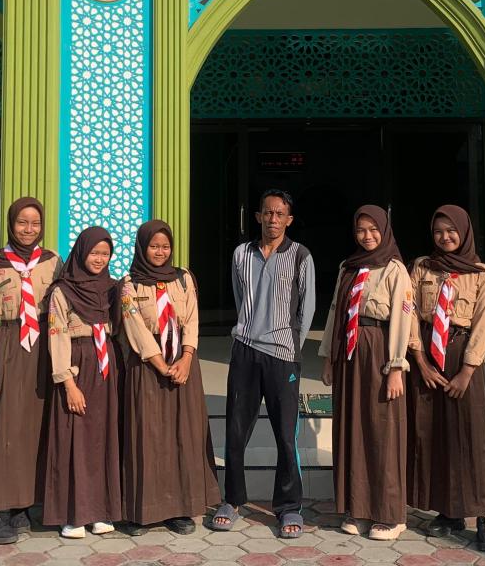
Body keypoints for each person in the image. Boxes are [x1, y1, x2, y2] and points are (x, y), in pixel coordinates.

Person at [211, 189, 316, 538]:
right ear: (257, 216)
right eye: (267, 212)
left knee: (285, 434)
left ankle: (289, 506)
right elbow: (241, 298)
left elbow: (308, 308)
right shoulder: (241, 254)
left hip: (282, 355)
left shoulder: (301, 255)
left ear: (289, 219)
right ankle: (232, 500)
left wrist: (292, 346)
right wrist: (248, 331)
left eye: (279, 214)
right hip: (245, 351)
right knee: (236, 430)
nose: (273, 219)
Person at [406, 205, 485, 551]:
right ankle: (449, 512)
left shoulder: (482, 274)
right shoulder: (422, 267)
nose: (444, 237)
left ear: (464, 231)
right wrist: (420, 360)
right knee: (433, 435)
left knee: (470, 437)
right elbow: (410, 312)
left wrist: (467, 371)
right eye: (438, 231)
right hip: (428, 355)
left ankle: (483, 514)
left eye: (451, 231)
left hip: (462, 354)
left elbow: (484, 322)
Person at [118, 220, 220, 536]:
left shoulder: (183, 278)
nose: (160, 252)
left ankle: (179, 508)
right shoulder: (129, 285)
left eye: (165, 246)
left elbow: (192, 318)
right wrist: (160, 364)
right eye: (154, 246)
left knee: (182, 433)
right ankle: (141, 511)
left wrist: (187, 358)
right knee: (146, 435)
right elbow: (134, 327)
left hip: (182, 362)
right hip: (147, 365)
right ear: (142, 248)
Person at [319, 205, 414, 541]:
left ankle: (389, 513)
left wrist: (396, 366)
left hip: (379, 350)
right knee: (353, 427)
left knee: (382, 429)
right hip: (349, 351)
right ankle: (356, 507)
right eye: (361, 230)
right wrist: (329, 356)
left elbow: (403, 317)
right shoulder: (348, 267)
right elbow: (335, 311)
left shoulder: (395, 269)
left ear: (385, 231)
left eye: (374, 229)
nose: (367, 236)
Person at [0, 197, 62, 545]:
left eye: (35, 223)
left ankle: (23, 504)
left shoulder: (52, 261)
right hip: (9, 345)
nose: (29, 229)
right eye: (22, 223)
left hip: (46, 347)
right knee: (8, 428)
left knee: (38, 426)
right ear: (11, 225)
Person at [42, 226, 123, 538]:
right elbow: (57, 336)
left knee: (103, 437)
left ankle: (101, 510)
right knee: (75, 438)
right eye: (94, 253)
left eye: (105, 254)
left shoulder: (113, 288)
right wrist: (68, 383)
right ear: (80, 253)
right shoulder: (63, 291)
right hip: (78, 365)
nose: (100, 259)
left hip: (106, 366)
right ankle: (74, 514)